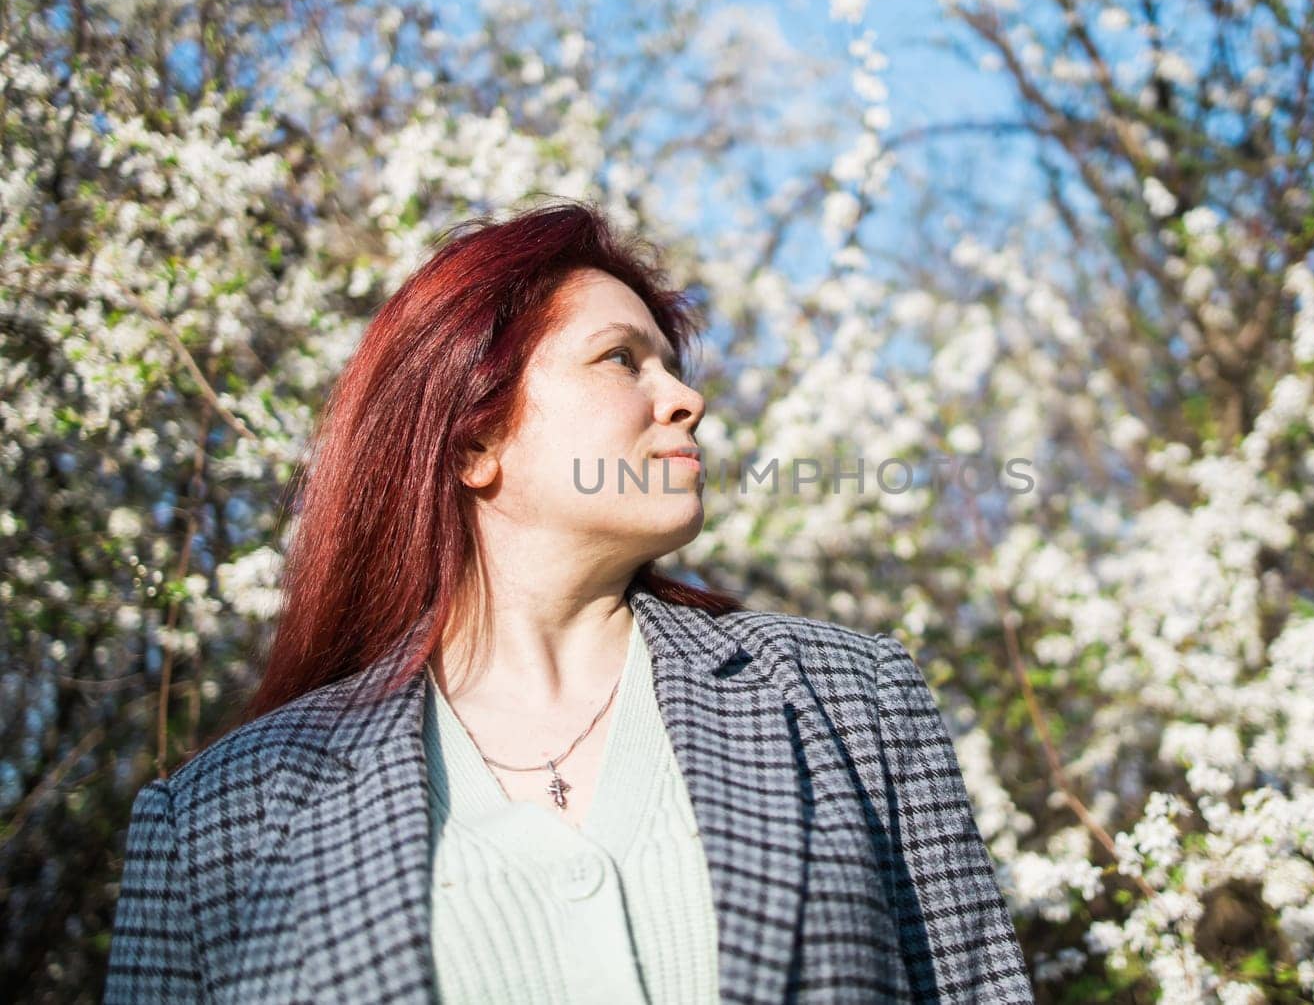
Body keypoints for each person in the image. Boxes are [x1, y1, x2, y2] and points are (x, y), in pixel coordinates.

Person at [104, 201, 1032, 1004]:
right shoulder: (219, 824)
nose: (687, 398)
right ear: (473, 442)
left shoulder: (852, 700)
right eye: (622, 359)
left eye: (670, 362)